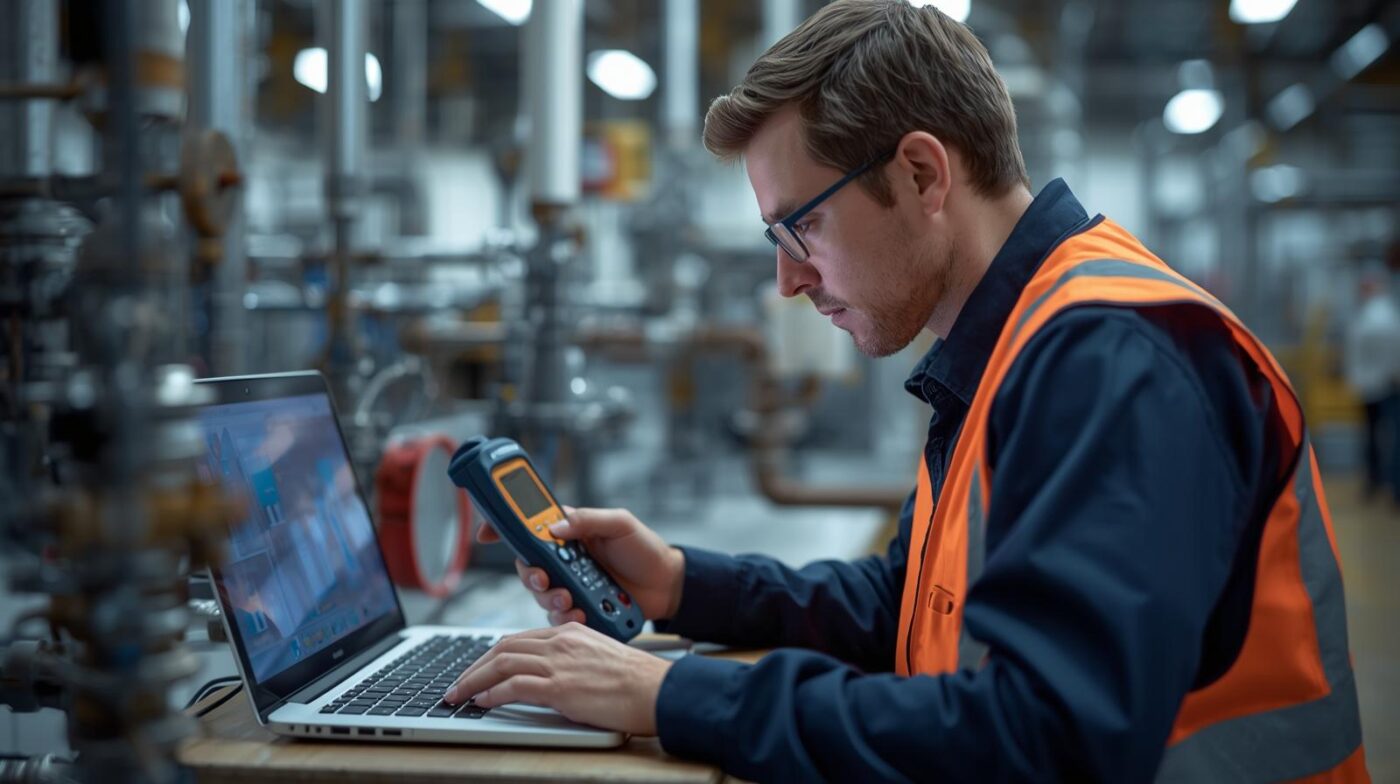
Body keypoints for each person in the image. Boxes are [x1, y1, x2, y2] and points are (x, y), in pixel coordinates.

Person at [444, 2, 1369, 780]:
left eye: (799, 228)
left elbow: (1049, 736)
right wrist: (689, 585)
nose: (788, 281)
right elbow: (915, 607)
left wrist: (673, 695)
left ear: (922, 174)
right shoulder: (1021, 339)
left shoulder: (1108, 357)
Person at [1345, 273, 1400, 503]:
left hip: (1380, 384)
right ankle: (1384, 483)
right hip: (1382, 383)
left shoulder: (1376, 316)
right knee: (1383, 436)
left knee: (1380, 436)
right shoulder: (1381, 314)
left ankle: (1383, 482)